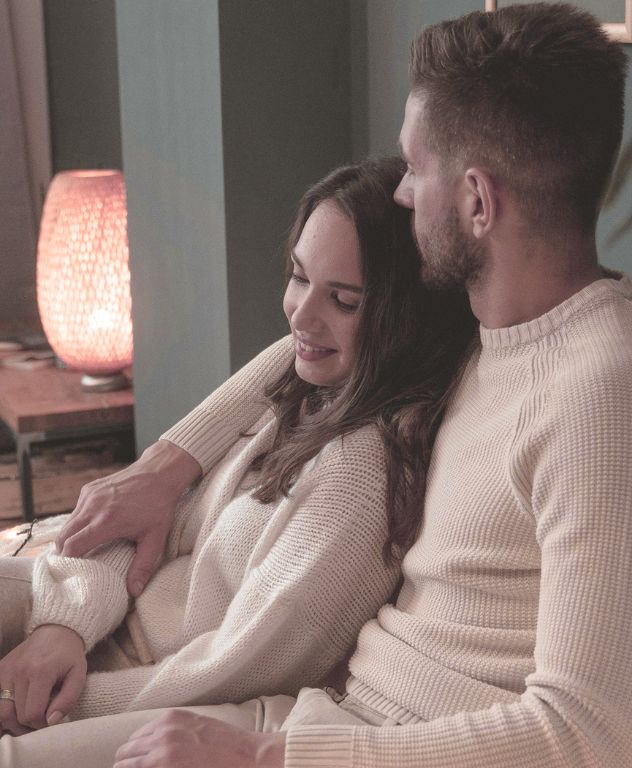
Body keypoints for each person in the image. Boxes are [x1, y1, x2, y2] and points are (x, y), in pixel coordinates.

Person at [11, 3, 632, 767]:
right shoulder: (489, 328)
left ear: (477, 202)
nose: (402, 193)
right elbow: (305, 350)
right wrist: (169, 465)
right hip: (324, 717)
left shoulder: (598, 395)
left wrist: (267, 759)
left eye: (416, 168)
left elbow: (587, 734)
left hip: (343, 741)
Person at [0, 159, 474, 744]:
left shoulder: (359, 477)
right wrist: (64, 626)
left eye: (344, 300)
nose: (301, 315)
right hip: (95, 617)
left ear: (406, 317)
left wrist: (54, 701)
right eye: (299, 276)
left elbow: (235, 668)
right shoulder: (303, 386)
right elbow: (139, 519)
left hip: (131, 683)